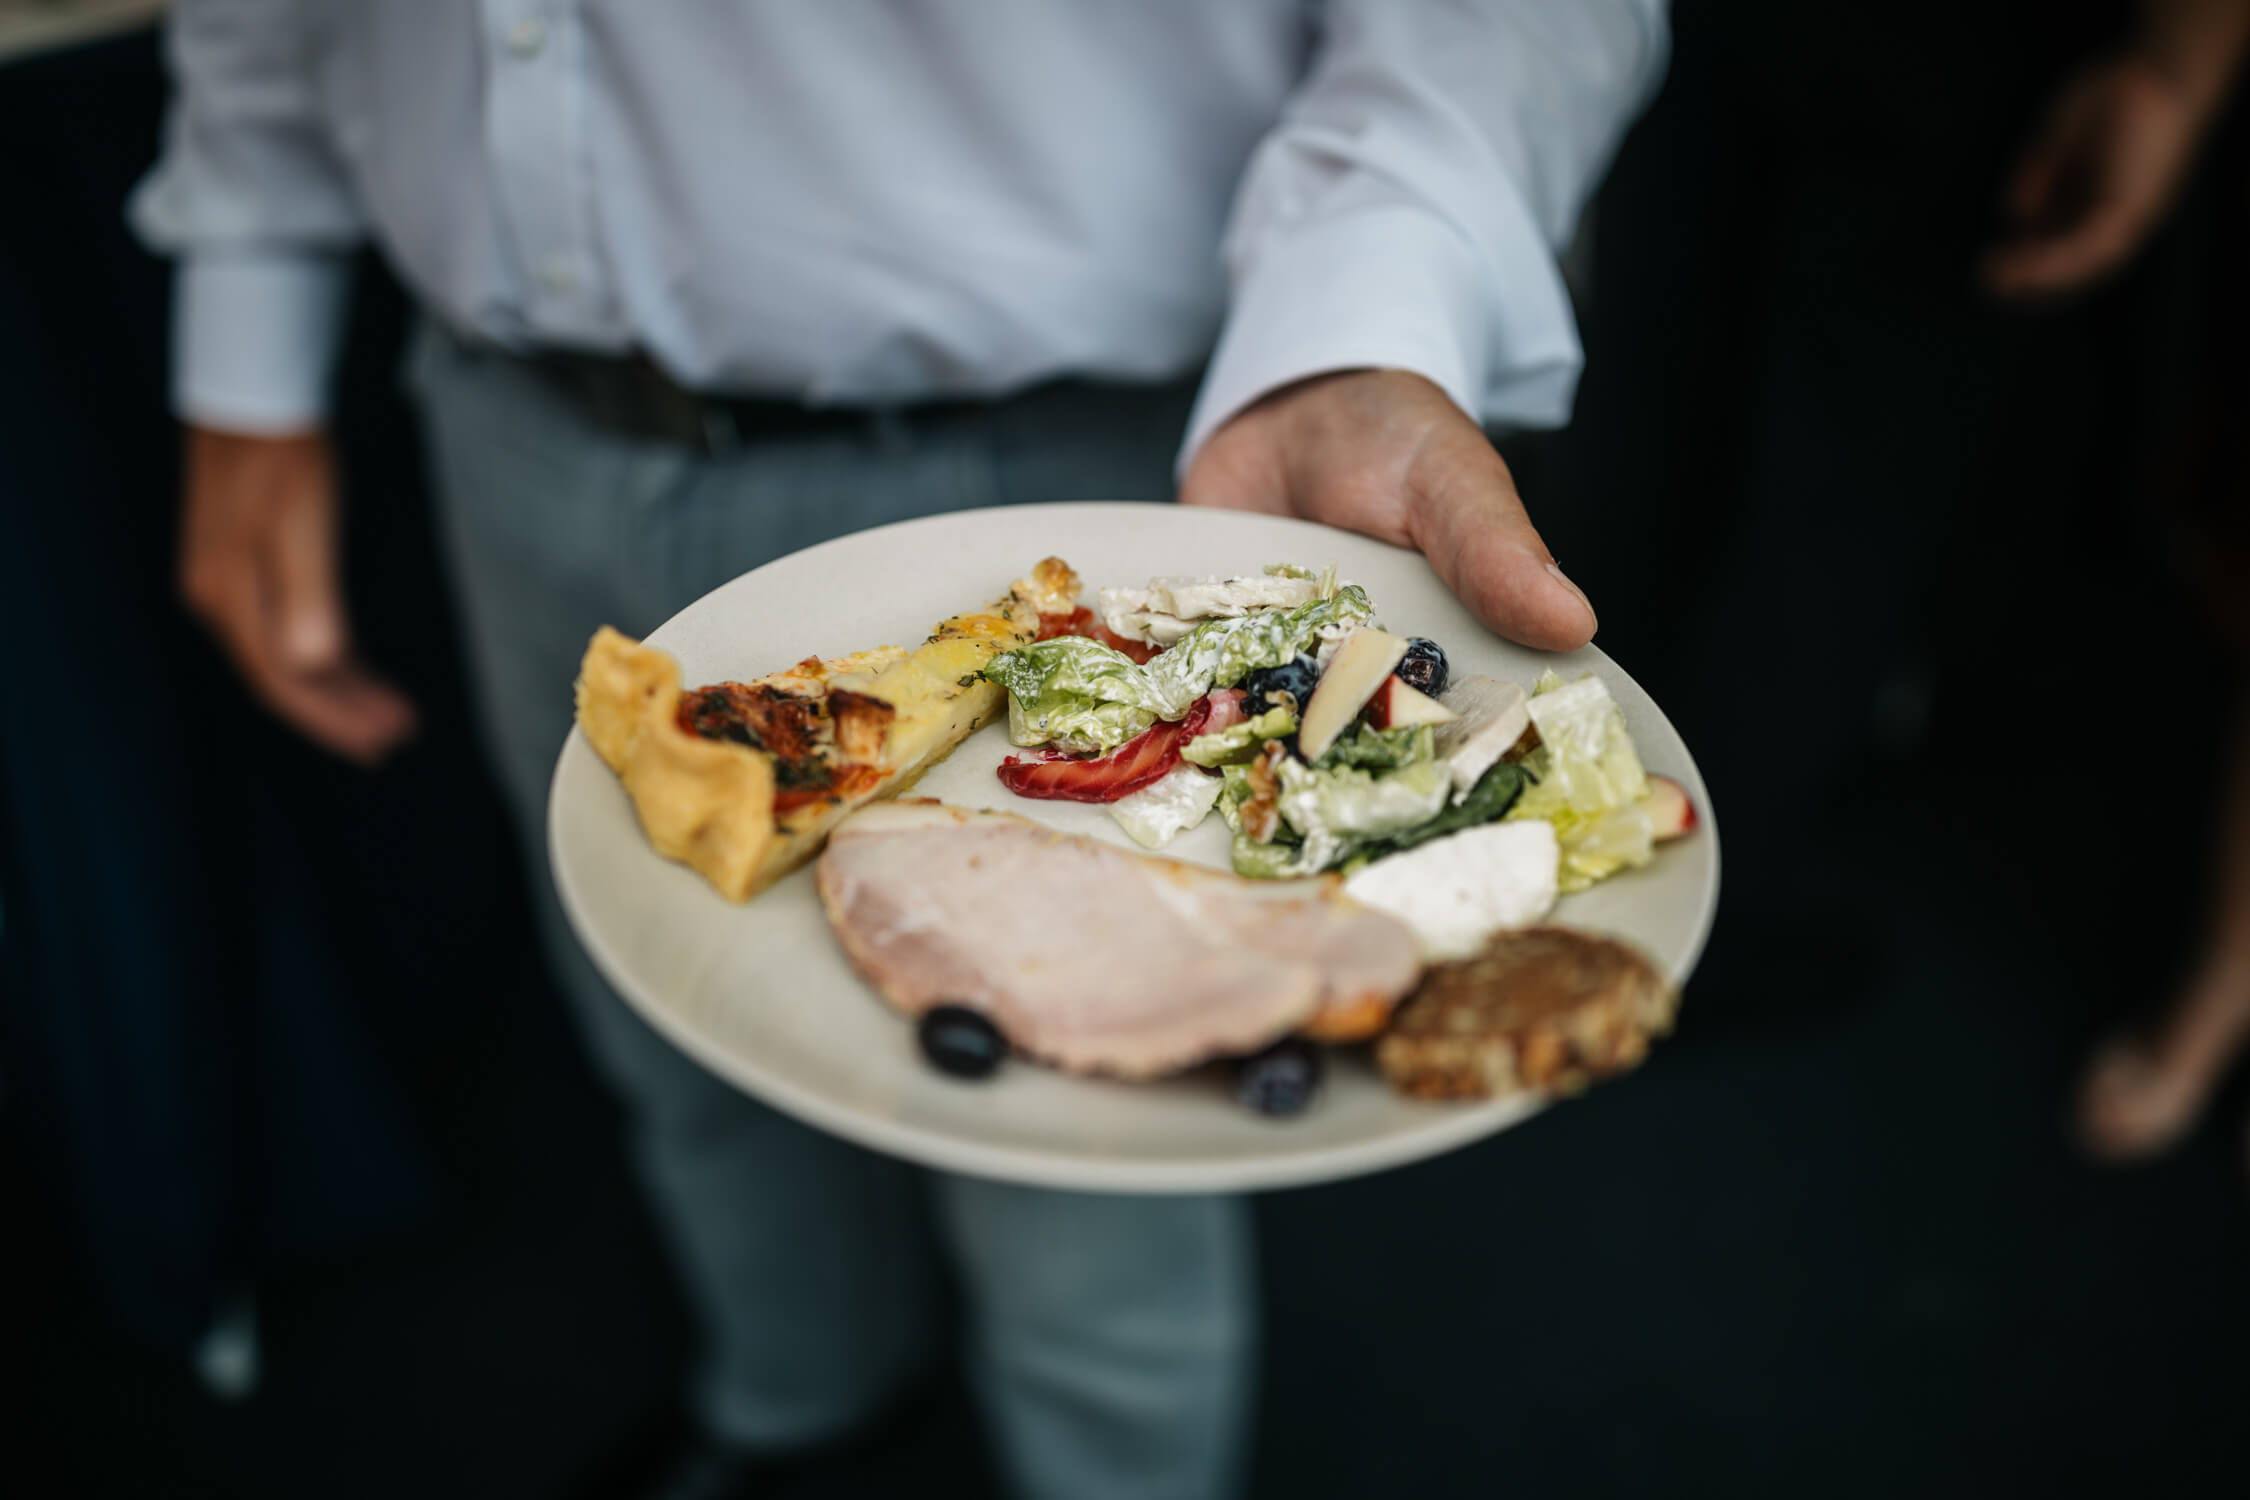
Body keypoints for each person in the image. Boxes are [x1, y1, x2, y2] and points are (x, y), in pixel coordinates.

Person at [133, 5, 1666, 1497]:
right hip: (500, 419)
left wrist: (1358, 324)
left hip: (1062, 456)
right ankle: (800, 1412)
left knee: (1080, 1201)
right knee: (672, 1048)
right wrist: (245, 340)